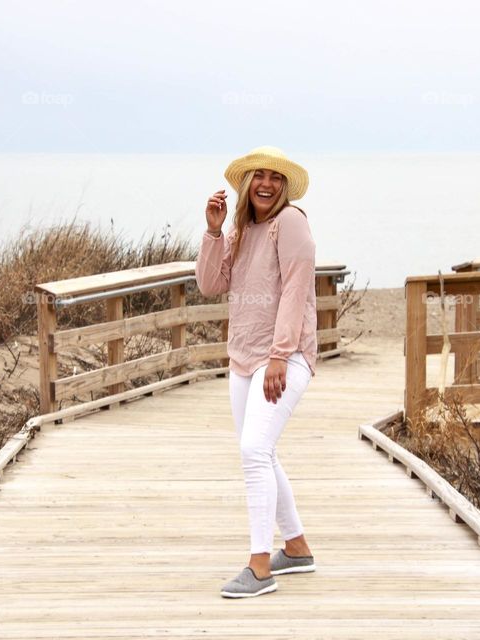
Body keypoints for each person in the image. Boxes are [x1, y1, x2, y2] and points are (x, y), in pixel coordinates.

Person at [195, 146, 319, 598]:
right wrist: (212, 233)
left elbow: (295, 289)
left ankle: (260, 566)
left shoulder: (291, 223)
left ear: (284, 187)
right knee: (261, 452)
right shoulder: (241, 230)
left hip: (284, 357)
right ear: (246, 185)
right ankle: (298, 547)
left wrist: (280, 355)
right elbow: (211, 284)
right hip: (243, 356)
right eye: (258, 177)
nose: (266, 183)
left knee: (253, 451)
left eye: (275, 177)